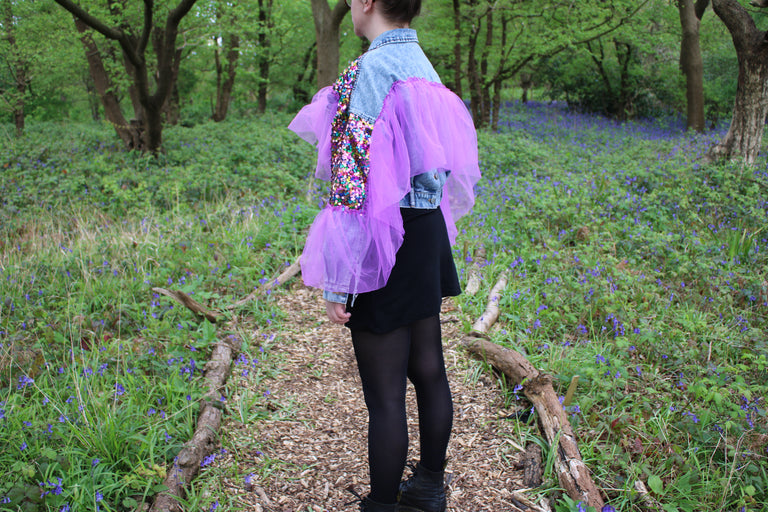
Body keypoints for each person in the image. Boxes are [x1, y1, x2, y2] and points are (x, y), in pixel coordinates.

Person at [288, 0, 480, 510]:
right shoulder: (422, 62)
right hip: (425, 230)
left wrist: (339, 279)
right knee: (429, 367)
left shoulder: (368, 71)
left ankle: (381, 505)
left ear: (369, 1)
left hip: (385, 236)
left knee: (386, 394)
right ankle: (429, 487)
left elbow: (355, 187)